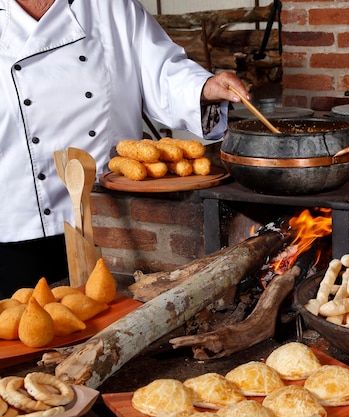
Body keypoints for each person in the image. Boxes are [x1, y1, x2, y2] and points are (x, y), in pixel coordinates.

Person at [0, 0, 250, 298]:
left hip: (111, 220)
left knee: (115, 327)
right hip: (16, 220)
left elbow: (163, 72)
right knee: (22, 334)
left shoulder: (111, 7)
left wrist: (204, 88)